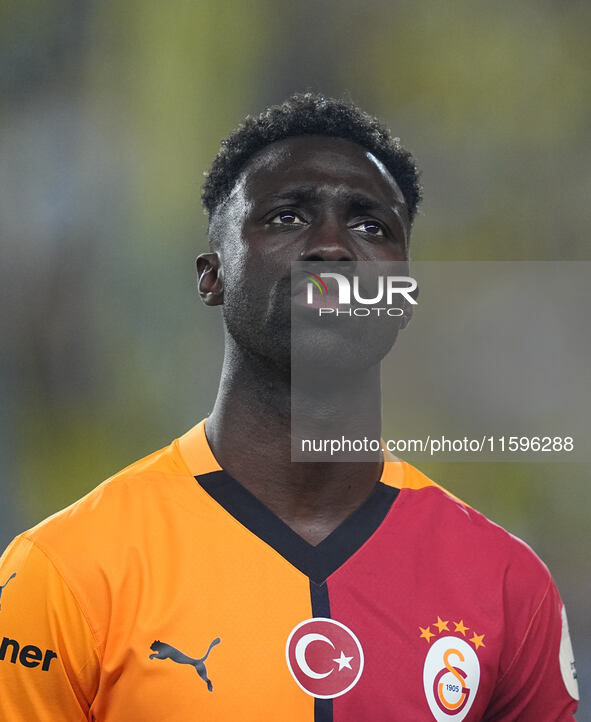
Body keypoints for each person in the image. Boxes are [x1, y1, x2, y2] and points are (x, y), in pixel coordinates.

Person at [0, 94, 578, 721]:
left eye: (370, 226)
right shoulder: (66, 570)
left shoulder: (507, 586)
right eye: (285, 217)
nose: (331, 249)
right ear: (211, 277)